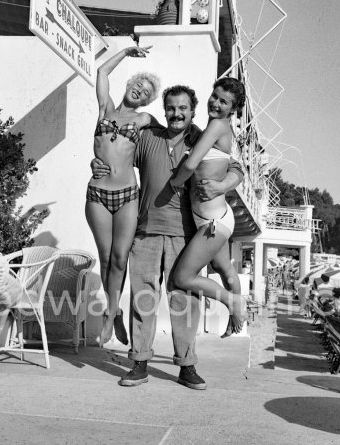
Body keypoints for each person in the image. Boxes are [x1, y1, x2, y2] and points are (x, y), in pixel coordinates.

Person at [91, 84, 243, 390]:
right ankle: (139, 362)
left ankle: (187, 365)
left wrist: (222, 184)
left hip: (186, 231)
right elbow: (115, 153)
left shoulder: (202, 136)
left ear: (192, 111)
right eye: (171, 108)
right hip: (145, 230)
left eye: (183, 108)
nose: (176, 113)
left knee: (184, 300)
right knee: (142, 298)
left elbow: (237, 166)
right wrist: (99, 165)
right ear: (165, 110)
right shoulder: (148, 137)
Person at [85, 45, 160, 346]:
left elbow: (172, 134)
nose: (139, 92)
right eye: (137, 86)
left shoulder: (143, 119)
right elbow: (102, 71)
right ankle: (114, 312)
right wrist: (127, 51)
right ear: (129, 85)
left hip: (128, 194)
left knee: (120, 258)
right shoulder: (106, 108)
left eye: (145, 93)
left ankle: (110, 313)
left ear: (146, 101)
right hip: (97, 193)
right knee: (105, 259)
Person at [169, 77, 247, 336]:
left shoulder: (217, 125)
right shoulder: (215, 128)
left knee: (182, 277)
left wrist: (174, 184)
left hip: (213, 224)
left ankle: (232, 302)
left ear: (232, 109)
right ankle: (235, 321)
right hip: (215, 218)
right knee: (225, 270)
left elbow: (190, 166)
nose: (215, 103)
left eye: (223, 101)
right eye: (214, 96)